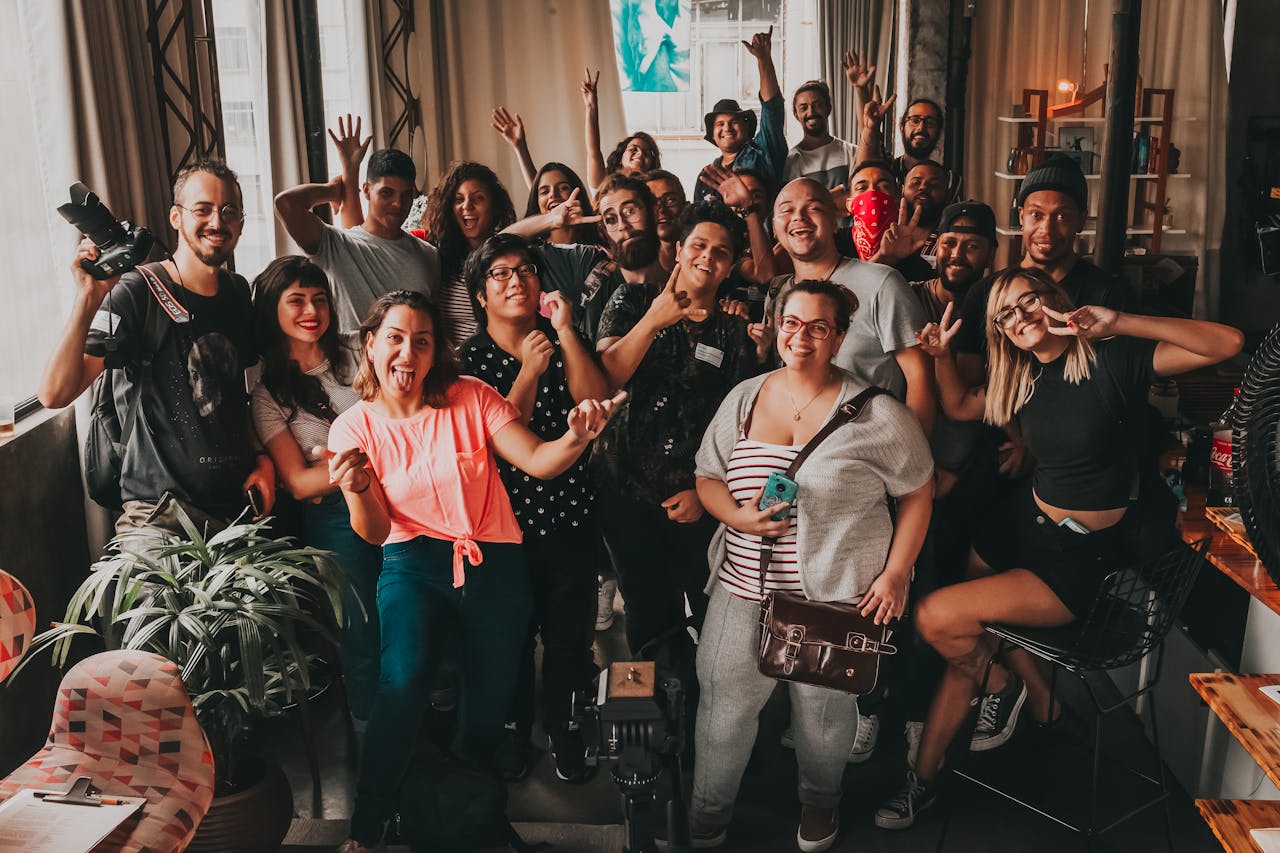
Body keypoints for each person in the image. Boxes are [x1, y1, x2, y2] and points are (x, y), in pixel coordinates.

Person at [873, 267, 1244, 830]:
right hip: (1018, 525)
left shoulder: (1113, 359)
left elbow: (1228, 343)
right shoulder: (1021, 377)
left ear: (1055, 301)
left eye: (1029, 301)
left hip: (1077, 555)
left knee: (937, 617)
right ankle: (928, 775)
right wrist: (942, 358)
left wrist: (1118, 321)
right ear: (1000, 330)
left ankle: (1010, 691)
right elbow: (959, 405)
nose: (1020, 317)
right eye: (1006, 314)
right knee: (969, 637)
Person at [327, 290, 624, 852]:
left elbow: (538, 460)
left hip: (494, 564)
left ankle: (467, 815)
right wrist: (359, 487)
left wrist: (577, 437)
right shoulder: (353, 427)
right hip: (411, 564)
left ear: (435, 350)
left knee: (489, 701)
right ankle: (368, 828)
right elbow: (373, 531)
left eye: (421, 341)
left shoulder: (471, 397)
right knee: (401, 681)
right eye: (395, 338)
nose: (407, 353)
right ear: (370, 345)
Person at [690, 279, 933, 850]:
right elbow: (707, 475)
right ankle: (707, 810)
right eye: (792, 323)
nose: (802, 336)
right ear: (778, 327)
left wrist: (896, 573)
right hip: (742, 586)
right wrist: (738, 517)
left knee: (823, 717)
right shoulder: (745, 396)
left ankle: (822, 803)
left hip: (834, 595)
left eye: (819, 327)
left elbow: (919, 490)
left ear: (839, 338)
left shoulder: (878, 413)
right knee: (723, 706)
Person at [39, 159, 274, 538]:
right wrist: (88, 297)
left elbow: (234, 393)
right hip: (159, 518)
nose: (217, 221)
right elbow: (55, 393)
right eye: (202, 209)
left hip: (235, 513)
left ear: (242, 223)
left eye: (229, 211)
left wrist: (262, 458)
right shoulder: (138, 292)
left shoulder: (237, 291)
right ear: (176, 217)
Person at [593, 199, 763, 699]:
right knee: (645, 609)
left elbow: (737, 424)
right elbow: (606, 377)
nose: (707, 257)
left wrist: (701, 491)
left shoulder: (734, 328)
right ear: (679, 249)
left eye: (721, 252)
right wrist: (654, 320)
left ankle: (703, 710)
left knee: (709, 607)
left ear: (730, 267)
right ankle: (645, 716)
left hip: (695, 497)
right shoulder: (632, 298)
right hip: (624, 488)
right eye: (699, 245)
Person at [458, 233, 610, 784]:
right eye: (500, 274)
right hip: (503, 526)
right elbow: (489, 442)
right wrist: (527, 371)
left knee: (569, 638)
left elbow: (594, 399)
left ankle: (564, 729)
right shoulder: (469, 361)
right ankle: (514, 732)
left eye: (525, 270)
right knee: (512, 638)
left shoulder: (559, 336)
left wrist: (565, 333)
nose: (516, 281)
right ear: (481, 295)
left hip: (571, 514)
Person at [249, 256, 380, 724]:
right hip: (334, 520)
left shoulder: (359, 351)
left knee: (415, 610)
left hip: (400, 497)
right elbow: (301, 483)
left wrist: (348, 462)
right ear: (273, 310)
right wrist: (371, 458)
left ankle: (430, 713)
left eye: (320, 299)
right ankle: (371, 732)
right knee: (360, 628)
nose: (312, 311)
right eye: (297, 301)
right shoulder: (268, 395)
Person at [769, 178, 934, 435]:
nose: (799, 217)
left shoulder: (881, 282)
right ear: (774, 228)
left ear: (835, 222)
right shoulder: (778, 294)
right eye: (787, 210)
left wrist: (911, 450)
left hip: (870, 445)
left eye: (814, 208)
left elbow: (920, 374)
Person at [953, 153, 1126, 382]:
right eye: (1036, 215)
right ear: (1021, 216)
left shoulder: (1107, 293)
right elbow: (968, 384)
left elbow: (1123, 379)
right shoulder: (985, 292)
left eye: (1062, 216)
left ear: (1081, 220)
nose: (1047, 230)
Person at [274, 141, 440, 332]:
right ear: (367, 190)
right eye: (387, 193)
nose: (397, 203)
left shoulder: (429, 255)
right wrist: (332, 191)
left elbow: (434, 324)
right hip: (350, 352)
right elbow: (286, 204)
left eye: (406, 195)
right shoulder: (335, 244)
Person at [422, 161, 518, 346]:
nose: (467, 206)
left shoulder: (509, 255)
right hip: (451, 361)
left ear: (494, 206)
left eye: (478, 198)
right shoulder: (439, 256)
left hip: (501, 358)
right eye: (459, 199)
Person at [694, 27, 787, 204]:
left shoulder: (762, 153)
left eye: (733, 122)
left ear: (746, 127)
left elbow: (772, 109)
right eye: (720, 124)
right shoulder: (707, 175)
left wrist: (764, 60)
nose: (727, 128)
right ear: (713, 134)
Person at [860, 95, 961, 201]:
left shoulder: (947, 181)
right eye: (915, 121)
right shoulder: (888, 170)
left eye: (930, 123)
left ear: (939, 132)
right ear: (901, 127)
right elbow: (863, 173)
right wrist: (870, 129)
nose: (921, 128)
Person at [580, 67, 662, 192]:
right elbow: (593, 150)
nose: (640, 153)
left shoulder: (655, 189)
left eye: (646, 153)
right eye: (633, 149)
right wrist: (591, 106)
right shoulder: (604, 182)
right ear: (620, 158)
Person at [645, 168, 689, 273]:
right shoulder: (635, 269)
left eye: (670, 200)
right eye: (651, 202)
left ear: (686, 206)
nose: (661, 209)